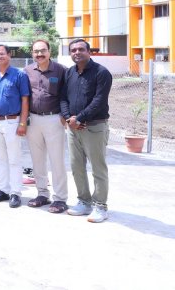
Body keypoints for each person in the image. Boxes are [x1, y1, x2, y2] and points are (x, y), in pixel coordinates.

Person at [60, 38, 113, 223]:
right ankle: (84, 202)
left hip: (94, 127)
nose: (77, 52)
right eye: (73, 50)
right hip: (73, 128)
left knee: (98, 168)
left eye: (81, 49)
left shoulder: (101, 73)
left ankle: (101, 207)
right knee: (76, 167)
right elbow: (63, 98)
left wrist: (79, 118)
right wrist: (69, 119)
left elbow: (99, 101)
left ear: (89, 51)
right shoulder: (69, 73)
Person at [24, 39, 69, 213]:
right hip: (33, 120)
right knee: (37, 160)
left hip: (54, 119)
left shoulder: (61, 70)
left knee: (56, 160)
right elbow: (25, 97)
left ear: (50, 51)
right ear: (32, 54)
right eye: (36, 51)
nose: (39, 54)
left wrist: (65, 116)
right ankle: (42, 193)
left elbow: (67, 95)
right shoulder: (27, 71)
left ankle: (60, 198)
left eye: (43, 50)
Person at [0, 45, 30, 209]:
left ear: (9, 55)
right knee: (0, 159)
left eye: (2, 53)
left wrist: (23, 123)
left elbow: (25, 100)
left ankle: (15, 193)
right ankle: (3, 190)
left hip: (12, 121)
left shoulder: (19, 75)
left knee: (14, 159)